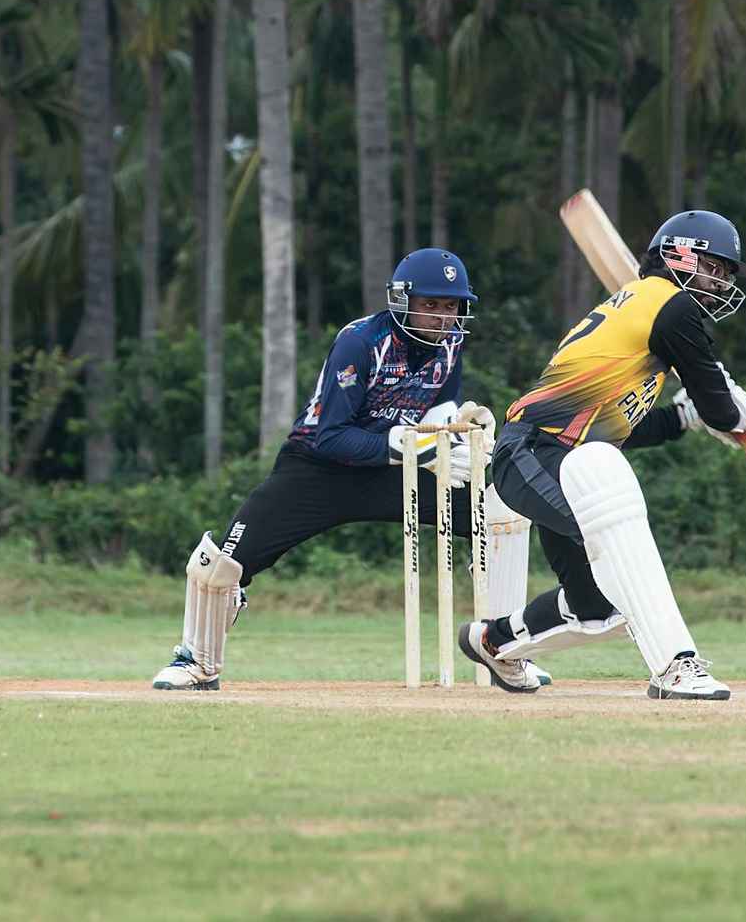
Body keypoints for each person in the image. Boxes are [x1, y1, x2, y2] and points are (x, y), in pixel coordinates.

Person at [151, 248, 501, 691]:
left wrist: (458, 438)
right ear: (402, 300)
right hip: (318, 469)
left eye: (450, 306)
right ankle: (196, 663)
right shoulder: (362, 341)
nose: (441, 317)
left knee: (497, 517)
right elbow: (331, 436)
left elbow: (441, 410)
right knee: (222, 564)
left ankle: (505, 648)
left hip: (394, 470)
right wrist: (412, 445)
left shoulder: (450, 344)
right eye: (430, 304)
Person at [456, 209, 746, 700]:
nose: (720, 283)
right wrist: (730, 414)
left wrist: (687, 417)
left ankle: (493, 641)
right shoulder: (671, 307)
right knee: (618, 543)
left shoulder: (644, 319)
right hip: (533, 451)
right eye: (714, 268)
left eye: (725, 274)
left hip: (565, 458)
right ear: (681, 256)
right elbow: (720, 408)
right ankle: (676, 666)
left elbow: (618, 431)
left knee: (594, 606)